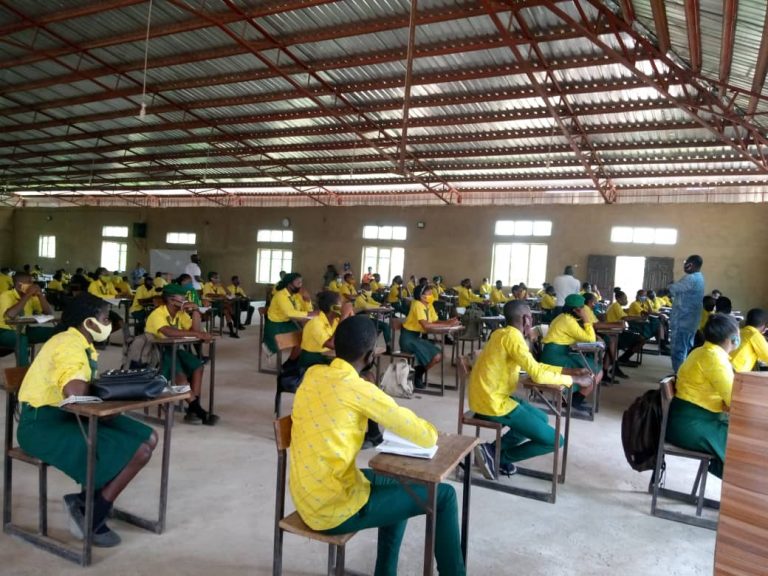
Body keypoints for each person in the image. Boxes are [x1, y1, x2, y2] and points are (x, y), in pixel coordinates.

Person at [290, 315, 466, 576]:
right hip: (331, 510)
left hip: (307, 494)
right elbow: (426, 436)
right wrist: (371, 388)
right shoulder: (358, 389)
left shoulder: (314, 374)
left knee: (401, 483)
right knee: (444, 496)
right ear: (371, 356)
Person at [17, 293, 157, 547]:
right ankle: (93, 515)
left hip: (73, 415)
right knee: (139, 451)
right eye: (105, 318)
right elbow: (74, 392)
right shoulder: (68, 344)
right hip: (42, 424)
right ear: (89, 322)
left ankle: (84, 501)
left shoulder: (82, 342)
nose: (109, 323)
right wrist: (108, 390)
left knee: (150, 437)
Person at [471, 301, 593, 479]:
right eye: (531, 317)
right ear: (526, 319)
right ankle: (499, 458)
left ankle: (491, 451)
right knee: (555, 440)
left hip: (487, 396)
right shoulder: (514, 338)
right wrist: (574, 380)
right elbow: (538, 375)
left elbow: (535, 367)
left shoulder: (501, 333)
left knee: (542, 418)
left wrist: (568, 371)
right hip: (492, 403)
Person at [666, 313, 739, 479]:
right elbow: (734, 400)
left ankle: (736, 488)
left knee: (740, 436)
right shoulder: (715, 359)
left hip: (686, 420)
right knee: (742, 443)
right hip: (690, 426)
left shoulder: (701, 351)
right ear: (731, 338)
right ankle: (739, 490)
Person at [145, 284, 217, 425]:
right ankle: (198, 411)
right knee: (180, 376)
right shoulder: (157, 313)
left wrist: (195, 310)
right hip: (157, 352)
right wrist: (197, 334)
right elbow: (168, 332)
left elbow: (195, 329)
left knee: (198, 366)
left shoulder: (181, 313)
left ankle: (192, 409)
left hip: (175, 349)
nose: (185, 300)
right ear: (171, 300)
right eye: (182, 297)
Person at [540, 293, 601, 407]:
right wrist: (586, 319)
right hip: (554, 359)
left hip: (554, 354)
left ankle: (573, 398)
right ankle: (575, 400)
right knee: (597, 371)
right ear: (576, 310)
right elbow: (591, 340)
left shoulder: (563, 317)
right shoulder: (568, 321)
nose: (584, 310)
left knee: (590, 366)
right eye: (582, 308)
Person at [400, 285, 460, 389]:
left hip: (416, 337)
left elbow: (434, 321)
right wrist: (448, 325)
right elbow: (426, 325)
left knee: (439, 355)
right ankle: (418, 374)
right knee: (436, 356)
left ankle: (418, 372)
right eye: (429, 294)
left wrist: (448, 322)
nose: (432, 296)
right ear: (422, 296)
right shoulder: (417, 304)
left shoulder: (428, 305)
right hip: (408, 339)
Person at [0, 273, 57, 366]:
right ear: (19, 285)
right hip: (4, 332)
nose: (33, 285)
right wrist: (27, 295)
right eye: (29, 282)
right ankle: (23, 370)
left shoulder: (32, 298)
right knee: (21, 339)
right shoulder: (6, 295)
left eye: (33, 282)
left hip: (24, 330)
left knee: (57, 331)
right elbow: (10, 315)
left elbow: (48, 312)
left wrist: (40, 295)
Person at [299, 291, 350, 367]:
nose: (344, 307)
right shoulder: (316, 323)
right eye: (341, 304)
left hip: (326, 356)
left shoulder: (336, 320)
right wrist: (344, 316)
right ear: (333, 308)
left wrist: (350, 316)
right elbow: (332, 345)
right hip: (312, 361)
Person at [264, 273, 311, 354]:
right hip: (276, 324)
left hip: (288, 322)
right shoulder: (281, 295)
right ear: (290, 284)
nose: (301, 286)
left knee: (305, 337)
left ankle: (292, 360)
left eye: (301, 283)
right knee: (302, 338)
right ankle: (292, 360)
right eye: (298, 283)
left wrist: (307, 301)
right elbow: (290, 313)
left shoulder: (296, 295)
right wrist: (309, 314)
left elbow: (306, 310)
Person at [604, 290, 646, 376]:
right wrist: (639, 318)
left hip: (616, 331)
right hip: (614, 332)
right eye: (624, 298)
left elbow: (625, 315)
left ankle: (620, 361)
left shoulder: (617, 306)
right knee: (640, 339)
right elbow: (625, 318)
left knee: (640, 338)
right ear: (618, 299)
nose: (626, 300)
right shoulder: (616, 305)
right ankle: (623, 359)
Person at [355, 282, 393, 354]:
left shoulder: (366, 297)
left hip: (368, 318)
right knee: (383, 326)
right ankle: (372, 345)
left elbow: (373, 302)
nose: (370, 291)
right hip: (360, 320)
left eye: (370, 289)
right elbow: (366, 306)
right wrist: (380, 306)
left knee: (384, 326)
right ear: (363, 290)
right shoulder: (359, 298)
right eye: (368, 289)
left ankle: (388, 346)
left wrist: (381, 305)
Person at [202, 271, 238, 338]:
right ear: (211, 278)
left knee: (226, 311)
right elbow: (207, 294)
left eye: (218, 277)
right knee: (227, 305)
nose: (218, 279)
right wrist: (219, 295)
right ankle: (235, 320)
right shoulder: (207, 285)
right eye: (216, 278)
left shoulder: (218, 286)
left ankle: (231, 331)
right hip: (210, 304)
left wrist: (223, 286)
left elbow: (228, 294)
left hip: (219, 304)